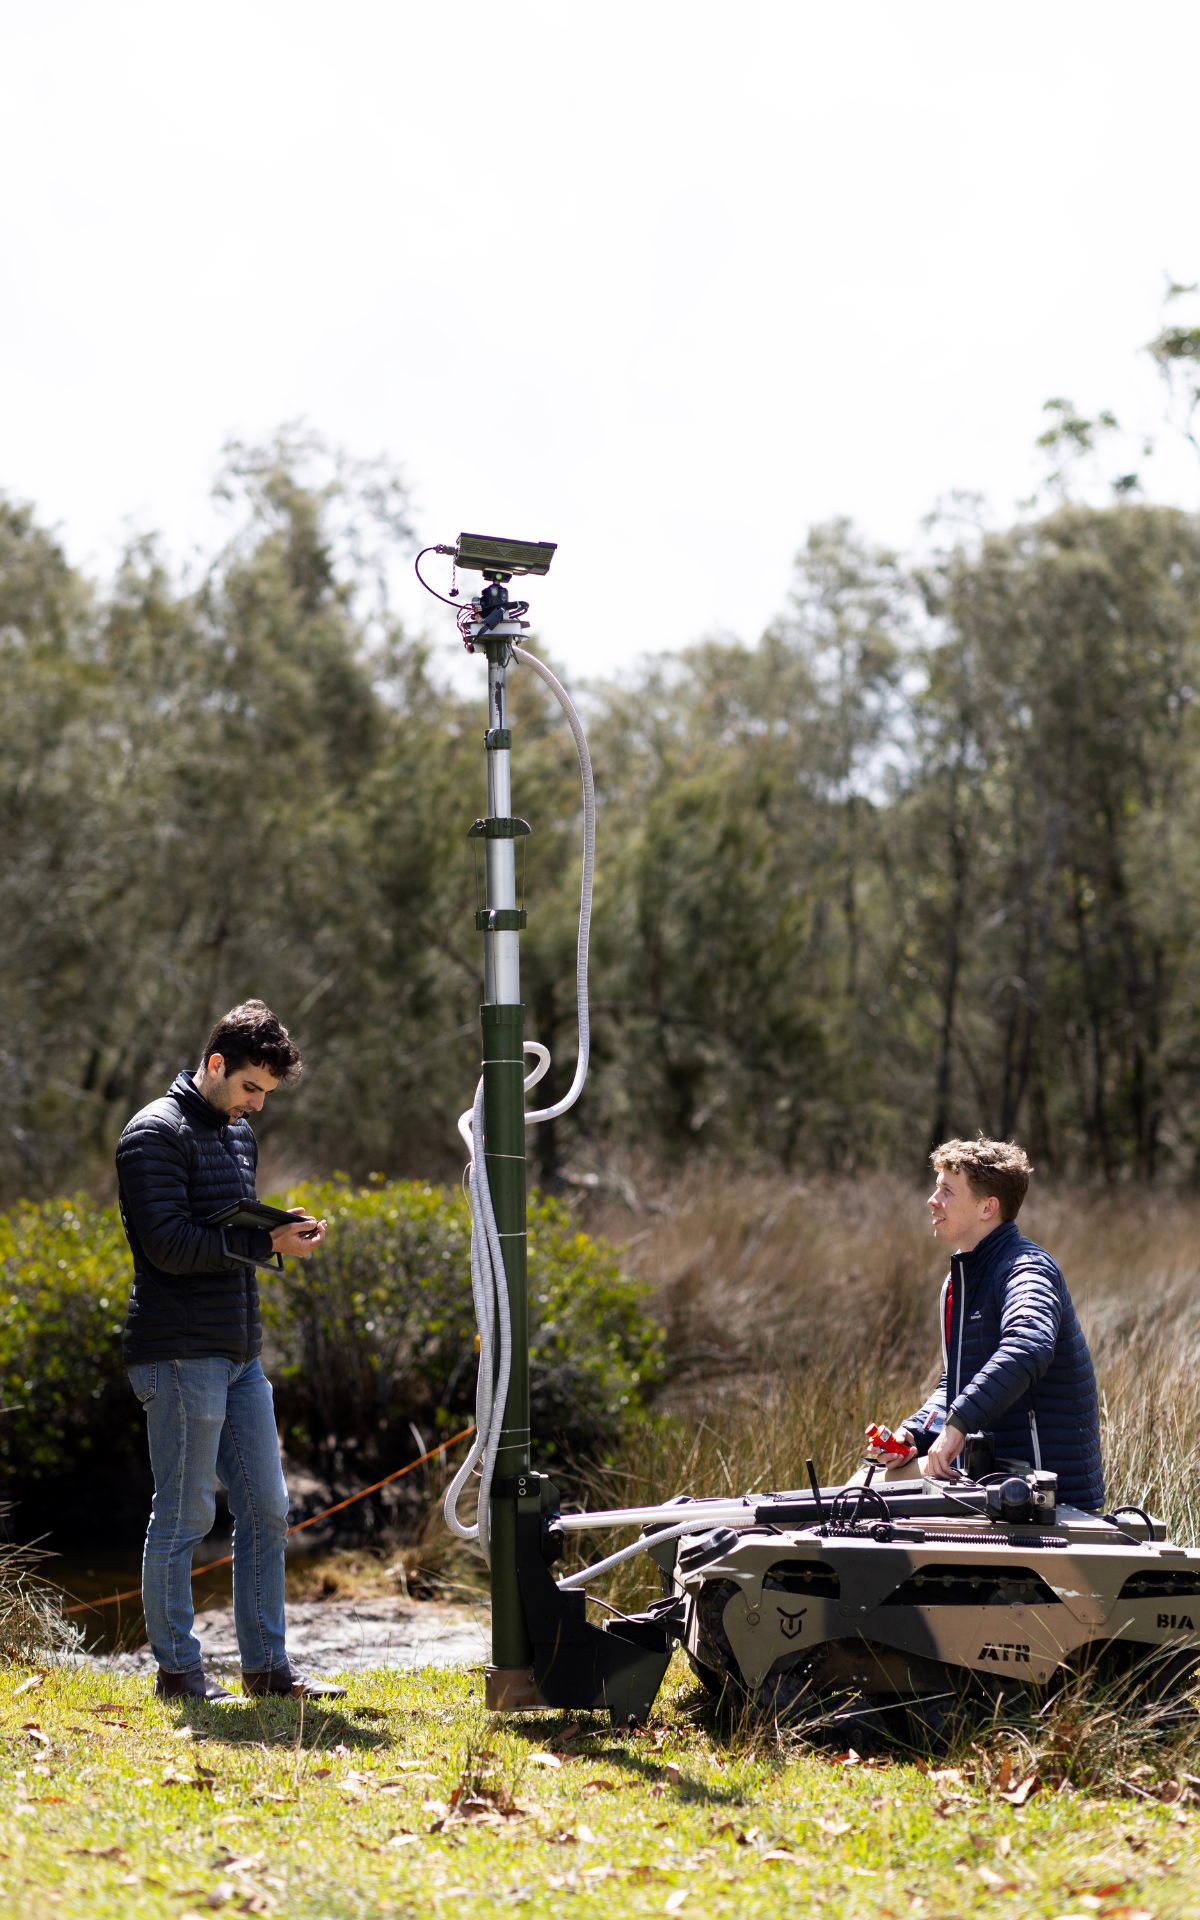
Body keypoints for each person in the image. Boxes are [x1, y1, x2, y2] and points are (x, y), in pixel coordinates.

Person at [117, 999, 345, 1702]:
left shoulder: (239, 1135)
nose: (257, 1105)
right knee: (186, 1514)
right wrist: (262, 1241)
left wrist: (278, 1230)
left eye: (266, 1093)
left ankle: (267, 1670)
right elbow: (168, 1246)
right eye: (250, 1087)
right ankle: (179, 1673)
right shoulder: (152, 1133)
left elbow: (227, 1232)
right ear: (215, 1065)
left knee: (267, 1508)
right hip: (177, 1353)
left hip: (240, 1354)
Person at [865, 1136, 1104, 1509]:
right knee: (865, 1484)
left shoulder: (1026, 1269)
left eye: (947, 1191)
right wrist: (914, 1434)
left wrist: (957, 1426)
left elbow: (1027, 1347)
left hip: (1045, 1499)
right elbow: (955, 1382)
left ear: (987, 1207)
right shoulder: (959, 1282)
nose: (932, 1200)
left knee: (869, 1494)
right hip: (988, 1483)